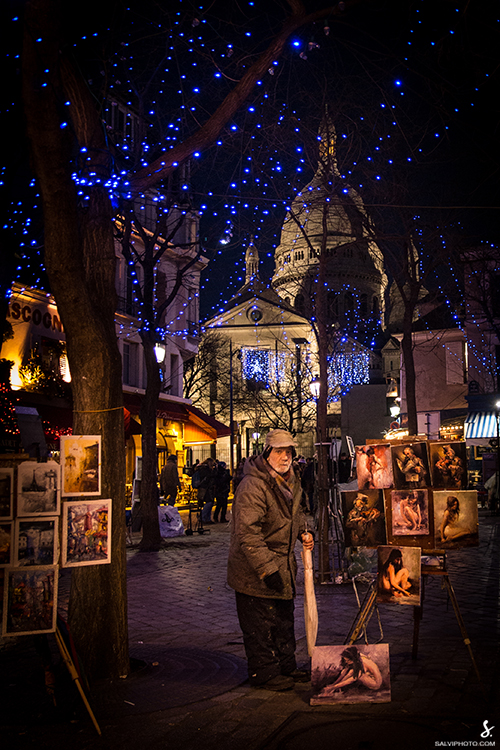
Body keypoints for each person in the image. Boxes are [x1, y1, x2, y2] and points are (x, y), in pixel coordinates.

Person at [227, 429, 314, 691]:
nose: (285, 457)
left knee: (283, 620)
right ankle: (264, 672)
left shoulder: (291, 480)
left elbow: (295, 513)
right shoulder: (253, 485)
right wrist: (268, 570)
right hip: (254, 570)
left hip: (283, 565)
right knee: (260, 624)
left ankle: (286, 665)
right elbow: (247, 533)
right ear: (267, 453)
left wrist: (303, 532)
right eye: (279, 451)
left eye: (288, 451)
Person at [317, 646, 382, 696]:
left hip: (375, 683)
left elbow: (352, 679)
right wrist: (333, 684)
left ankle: (334, 689)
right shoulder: (357, 656)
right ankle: (334, 689)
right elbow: (344, 672)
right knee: (349, 670)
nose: (346, 662)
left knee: (354, 673)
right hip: (369, 675)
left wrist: (333, 687)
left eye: (348, 660)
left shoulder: (363, 663)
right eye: (346, 660)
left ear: (353, 659)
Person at [197, 457, 217, 523]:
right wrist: (214, 469)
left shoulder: (204, 469)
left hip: (207, 488)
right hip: (206, 488)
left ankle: (207, 518)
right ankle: (203, 517)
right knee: (209, 502)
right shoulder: (205, 469)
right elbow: (210, 476)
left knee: (210, 503)